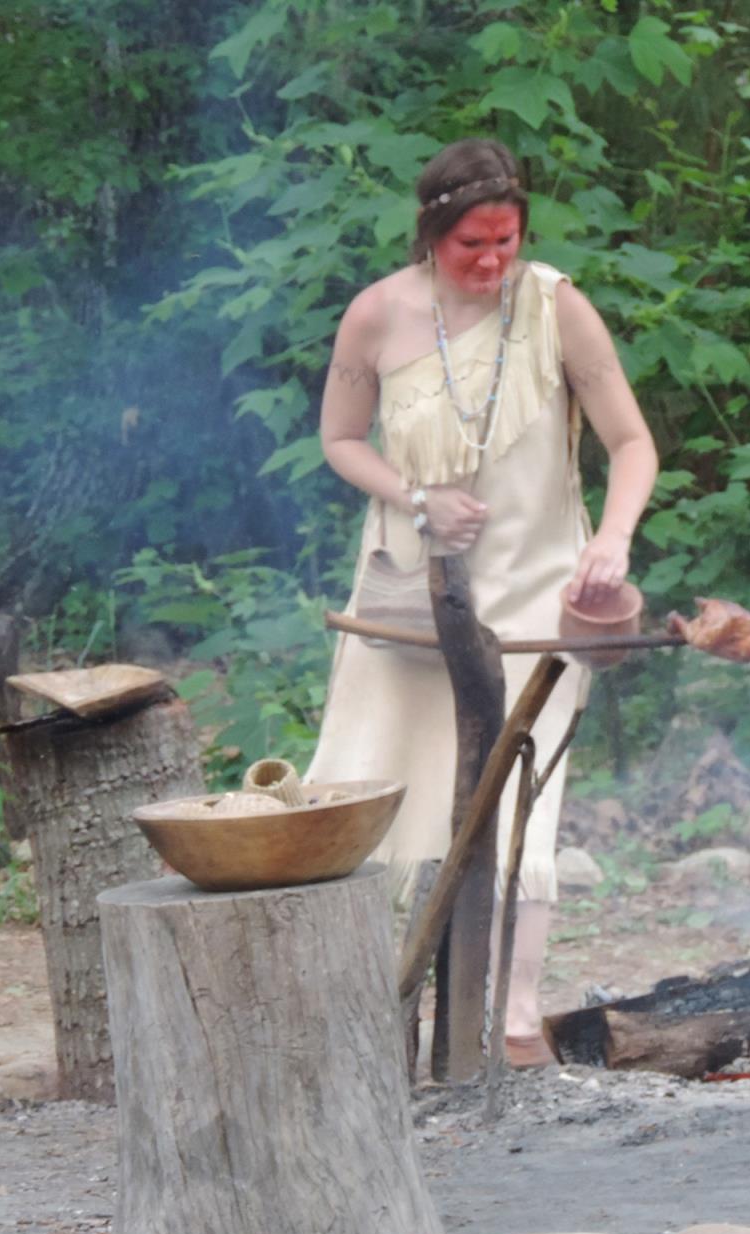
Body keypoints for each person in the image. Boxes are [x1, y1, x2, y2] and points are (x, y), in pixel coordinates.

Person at [307, 138, 658, 1065]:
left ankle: (509, 1023)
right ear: (431, 234)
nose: (494, 261)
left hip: (542, 593)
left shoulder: (556, 307)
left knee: (518, 807)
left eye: (507, 239)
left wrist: (612, 542)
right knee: (369, 788)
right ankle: (364, 1016)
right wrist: (416, 498)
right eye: (473, 244)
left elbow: (632, 444)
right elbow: (341, 440)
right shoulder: (377, 315)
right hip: (408, 600)